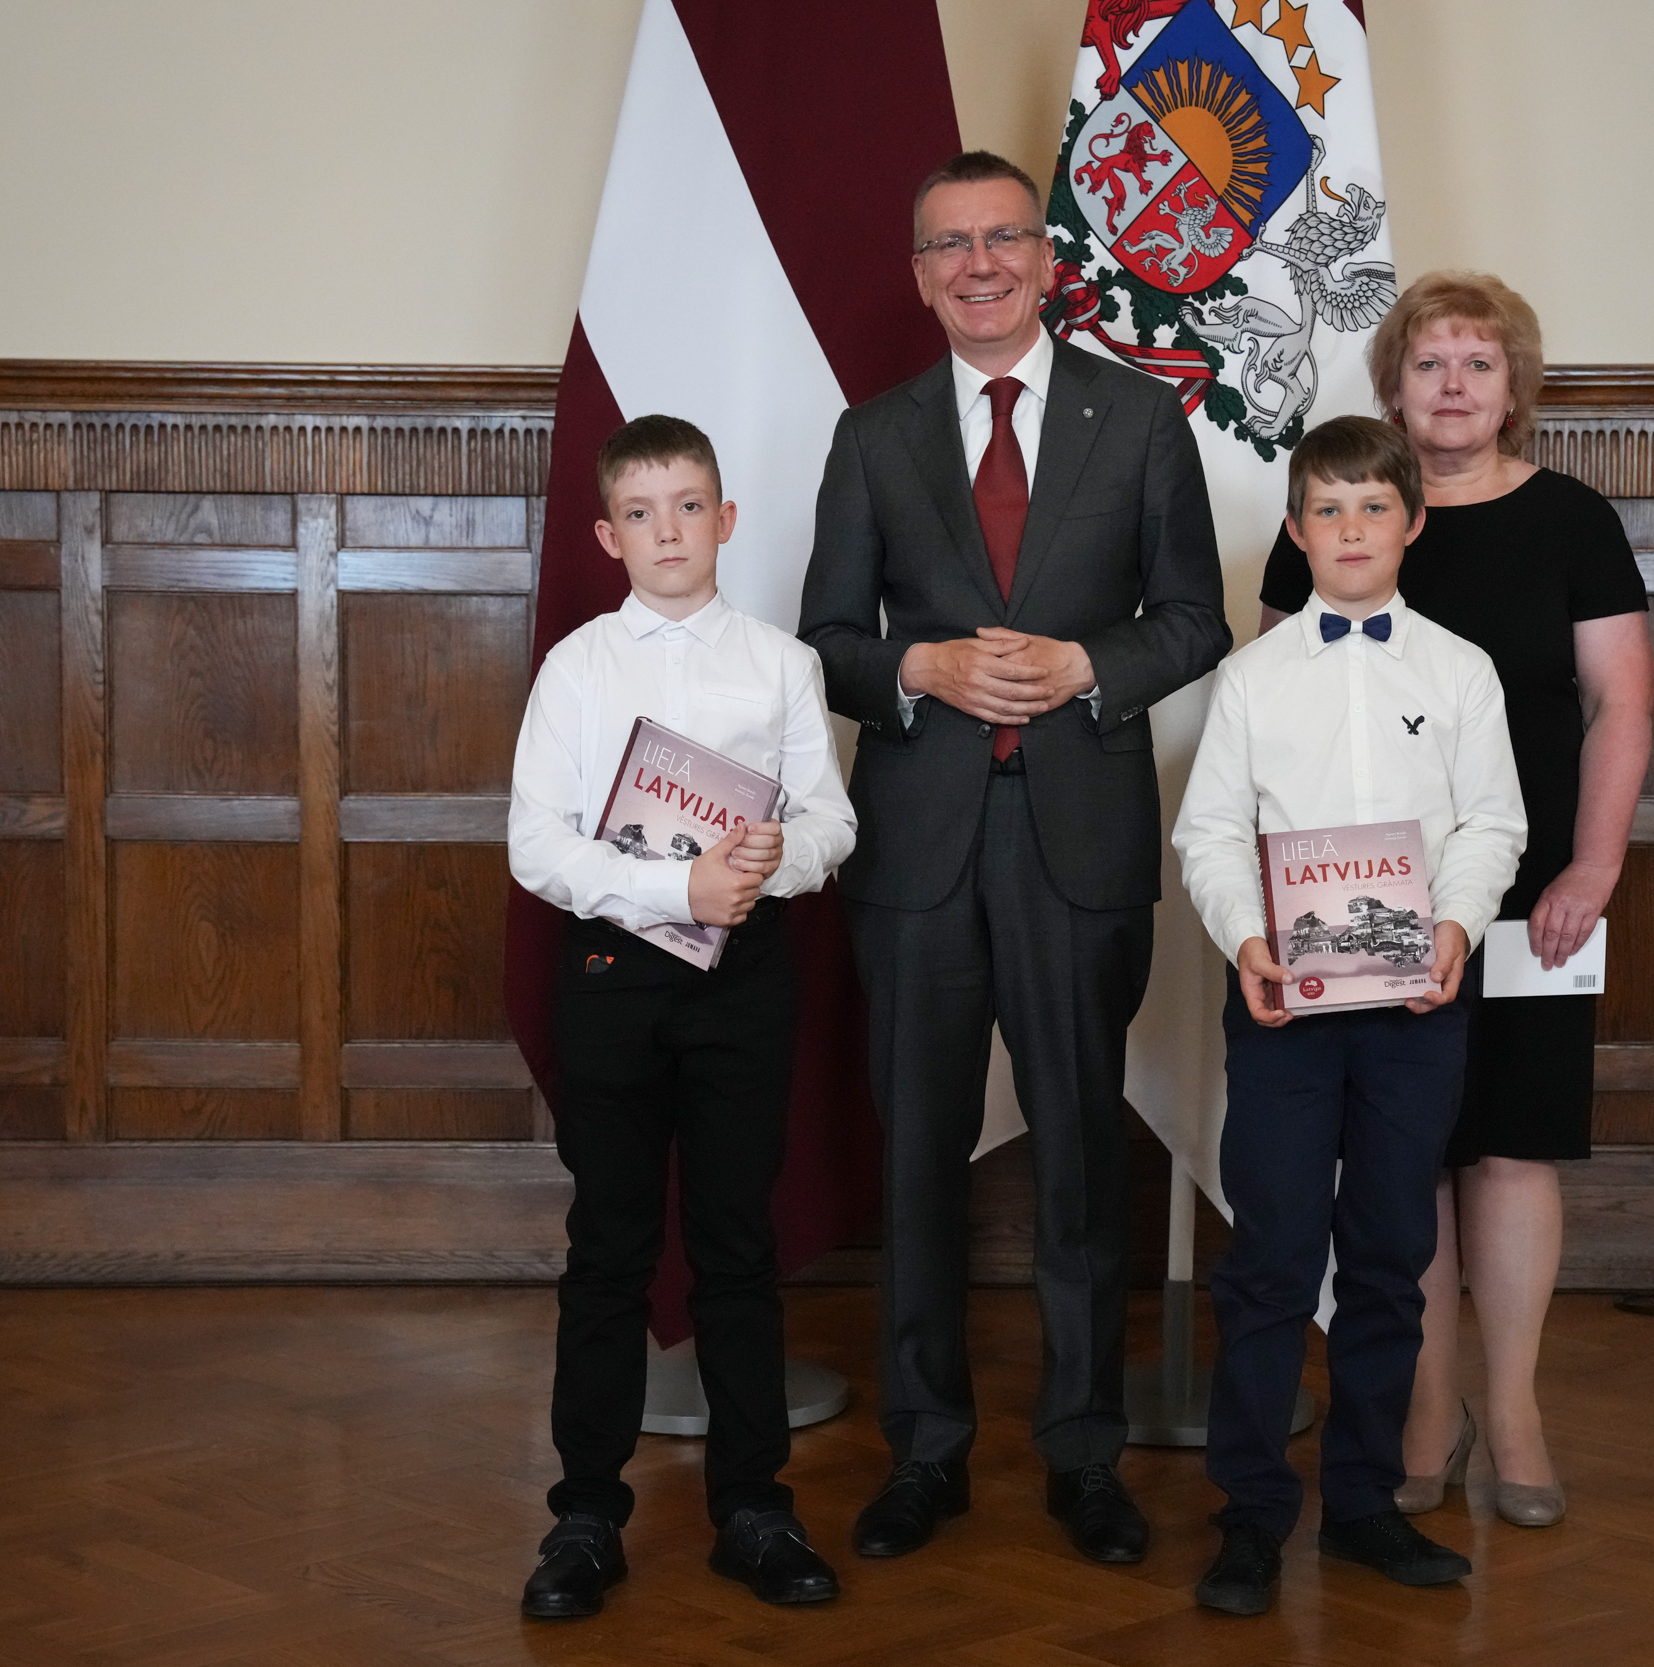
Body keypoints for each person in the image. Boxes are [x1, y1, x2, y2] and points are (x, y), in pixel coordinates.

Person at [797, 150, 1229, 1565]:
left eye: (1002, 239)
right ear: (921, 275)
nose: (977, 264)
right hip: (918, 850)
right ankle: (925, 1451)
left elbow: (1194, 618)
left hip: (1077, 841)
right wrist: (917, 664)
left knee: (1081, 1161)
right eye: (949, 245)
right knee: (917, 1160)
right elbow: (826, 641)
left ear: (1048, 261)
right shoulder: (873, 434)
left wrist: (1087, 666)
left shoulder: (1141, 416)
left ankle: (1084, 1454)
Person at [1258, 272, 1654, 1528]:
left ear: (1512, 387)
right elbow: (1275, 705)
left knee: (1513, 1139)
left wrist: (1592, 866)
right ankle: (1422, 1410)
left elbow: (1621, 704)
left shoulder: (1572, 519)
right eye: (1428, 362)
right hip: (1363, 894)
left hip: (1534, 889)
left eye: (1478, 363)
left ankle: (1515, 1409)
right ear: (1393, 386)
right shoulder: (1341, 510)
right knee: (1402, 1149)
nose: (1452, 384)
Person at [1173, 415, 1527, 1614]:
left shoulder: (1460, 669)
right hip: (1284, 1009)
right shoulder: (1251, 678)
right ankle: (1250, 1513)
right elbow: (1209, 832)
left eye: (1373, 506)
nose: (1351, 528)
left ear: (1411, 523)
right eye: (1327, 509)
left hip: (1417, 1007)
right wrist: (1248, 938)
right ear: (1296, 530)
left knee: (1388, 1255)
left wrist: (1457, 923)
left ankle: (1367, 1499)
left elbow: (1492, 821)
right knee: (1271, 1259)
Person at [506, 414, 858, 1618]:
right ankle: (585, 1515)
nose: (669, 531)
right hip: (612, 973)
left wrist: (770, 860)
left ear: (726, 519)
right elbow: (536, 842)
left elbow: (831, 819)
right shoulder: (577, 668)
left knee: (736, 1244)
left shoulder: (780, 664)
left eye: (690, 505)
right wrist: (675, 889)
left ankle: (753, 1505)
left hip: (741, 976)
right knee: (609, 1246)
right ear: (608, 535)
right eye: (641, 512)